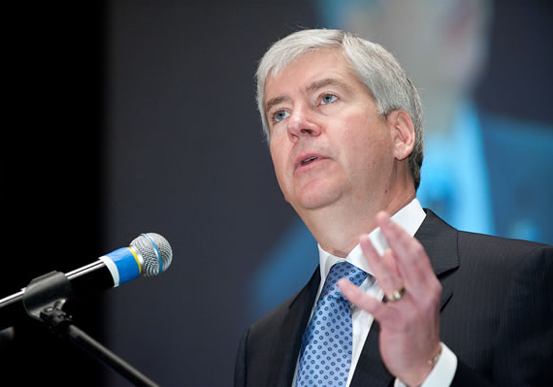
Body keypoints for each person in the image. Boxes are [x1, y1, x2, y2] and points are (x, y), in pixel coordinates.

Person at [234, 29, 553, 387]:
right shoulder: (261, 344)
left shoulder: (519, 279)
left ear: (400, 134)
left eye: (326, 97)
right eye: (278, 114)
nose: (296, 124)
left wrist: (430, 371)